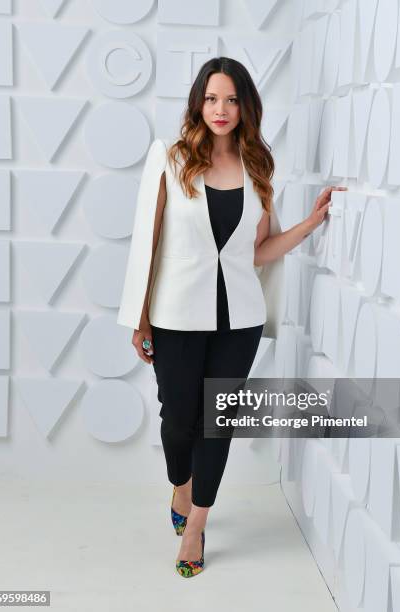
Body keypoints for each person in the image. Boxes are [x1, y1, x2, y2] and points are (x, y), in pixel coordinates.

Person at [117, 56, 347, 578]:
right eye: (212, 98)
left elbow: (257, 252)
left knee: (216, 423)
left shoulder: (258, 169)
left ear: (245, 107)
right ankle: (182, 482)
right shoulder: (170, 159)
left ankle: (196, 523)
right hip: (175, 313)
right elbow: (146, 242)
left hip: (237, 319)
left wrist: (311, 223)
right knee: (178, 420)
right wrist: (140, 316)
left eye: (232, 99)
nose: (221, 109)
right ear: (199, 102)